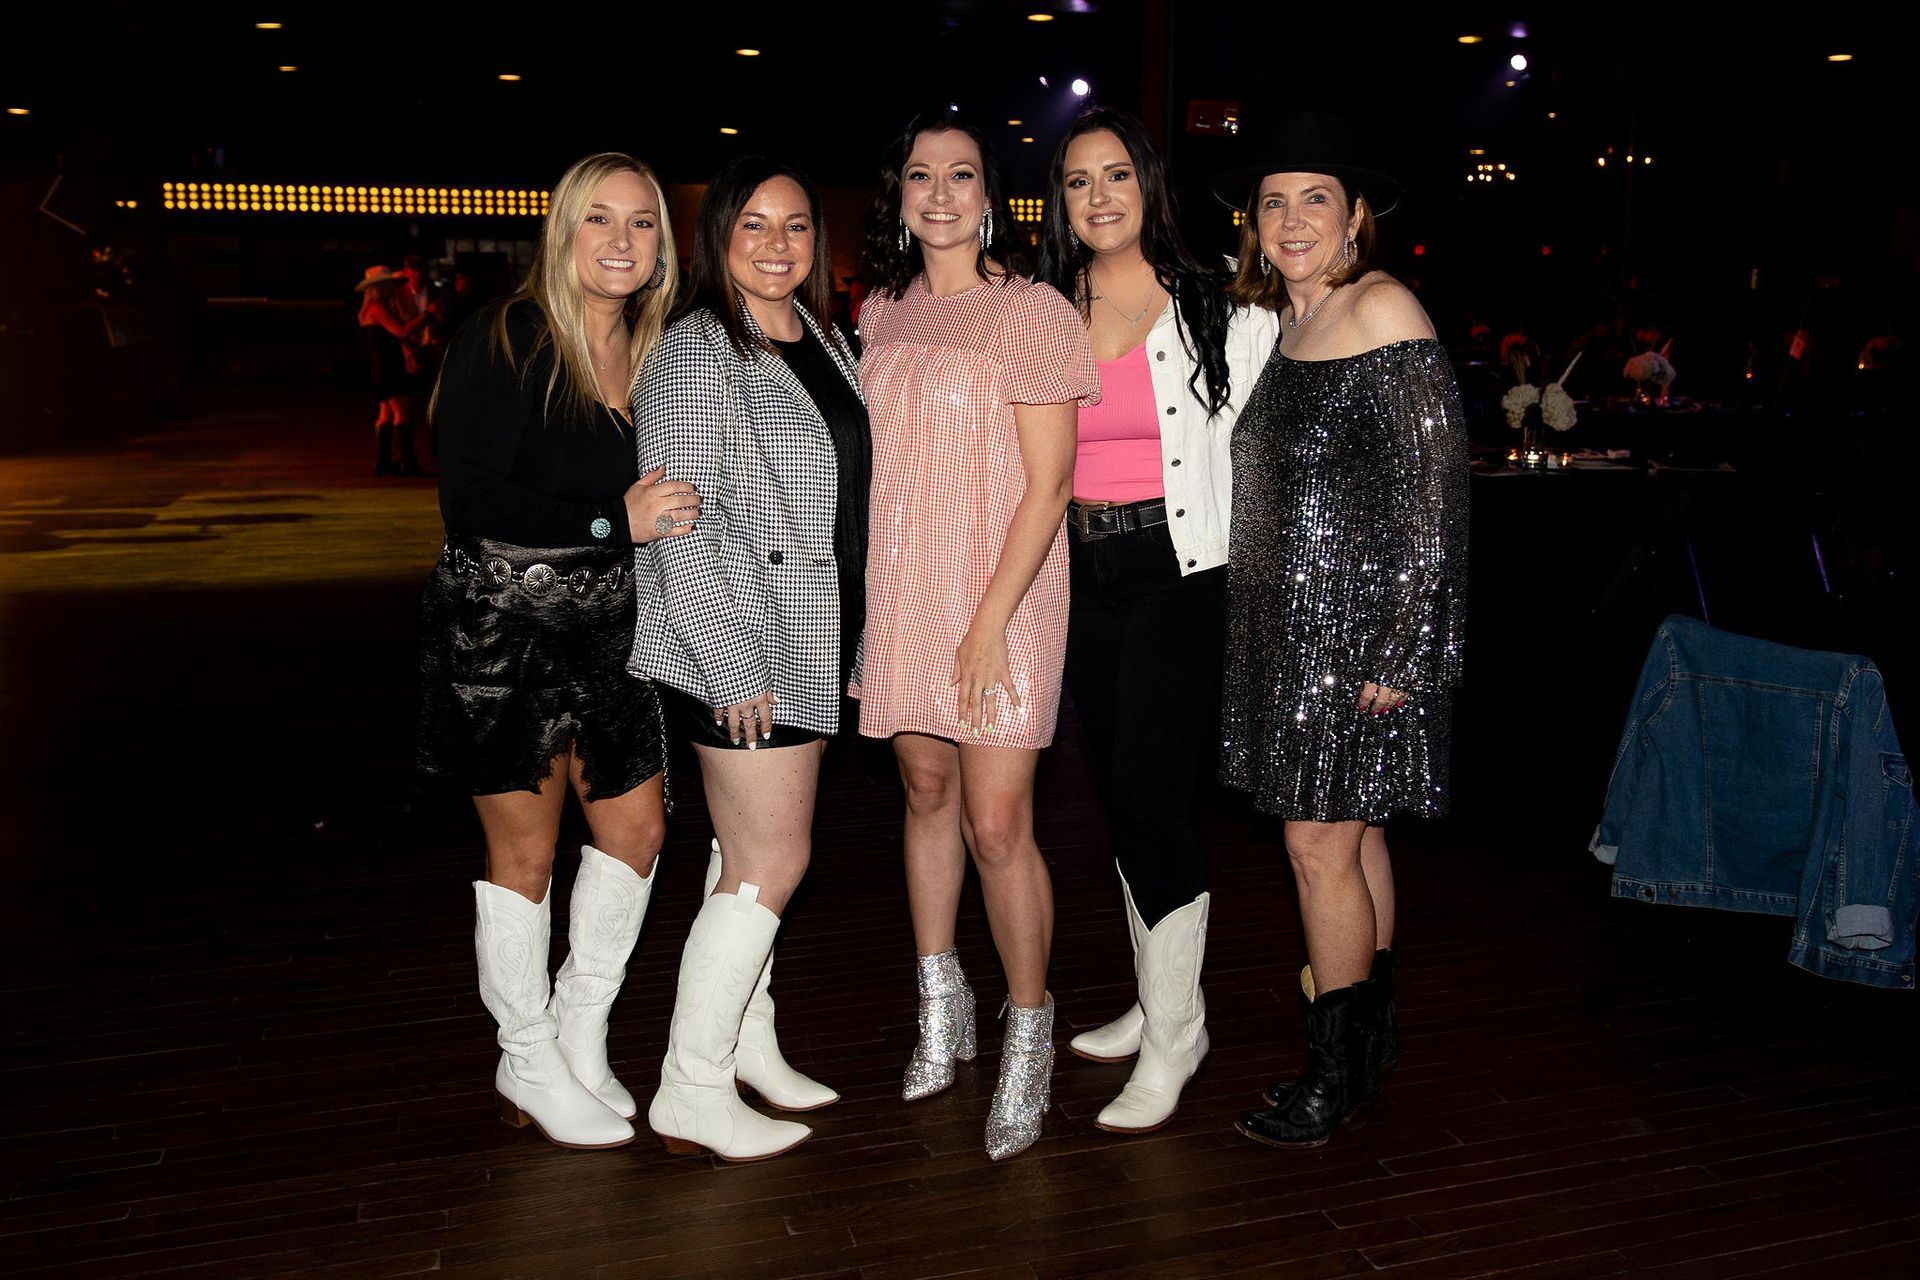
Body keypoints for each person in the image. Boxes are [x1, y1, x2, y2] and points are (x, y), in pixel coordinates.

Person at [416, 152, 700, 1151]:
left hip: (614, 627)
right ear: (563, 232)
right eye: (599, 220)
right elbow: (470, 501)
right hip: (504, 625)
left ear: (664, 243)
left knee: (637, 831)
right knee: (525, 850)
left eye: (643, 223)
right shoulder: (505, 337)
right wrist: (608, 516)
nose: (622, 240)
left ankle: (581, 1027)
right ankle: (525, 1050)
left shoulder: (661, 349)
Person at [1212, 113, 1468, 1148]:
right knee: (1352, 838)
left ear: (1356, 215)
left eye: (1313, 197)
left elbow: (1436, 494)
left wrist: (1402, 648)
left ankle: (1331, 1072)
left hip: (1360, 640)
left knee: (1315, 844)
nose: (1290, 218)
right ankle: (1370, 1039)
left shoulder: (1382, 304)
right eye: (1273, 201)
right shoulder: (1286, 324)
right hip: (1292, 633)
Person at [856, 111, 1098, 1161]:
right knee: (925, 793)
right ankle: (939, 1005)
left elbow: (1050, 486)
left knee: (999, 822)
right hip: (904, 587)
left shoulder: (1033, 309)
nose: (942, 193)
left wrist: (994, 619)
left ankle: (1028, 1032)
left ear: (992, 194)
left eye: (962, 175)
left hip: (1007, 592)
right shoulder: (882, 311)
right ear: (900, 195)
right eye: (922, 175)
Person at [1035, 107, 1278, 1134]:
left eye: (1118, 176)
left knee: (1149, 797)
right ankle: (1155, 995)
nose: (1100, 196)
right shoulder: (1043, 308)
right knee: (1119, 793)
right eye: (1080, 180)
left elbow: (1273, 445)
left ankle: (1179, 1031)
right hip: (1081, 568)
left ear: (1150, 186)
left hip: (1184, 571)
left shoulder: (1220, 303)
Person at [629, 156, 865, 1163]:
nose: (777, 245)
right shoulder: (693, 350)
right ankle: (689, 1082)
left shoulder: (817, 331)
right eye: (754, 226)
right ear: (716, 237)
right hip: (738, 638)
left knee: (740, 853)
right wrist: (732, 665)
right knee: (775, 858)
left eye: (797, 226)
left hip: (808, 631)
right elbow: (679, 520)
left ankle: (748, 1050)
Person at [357, 264, 427, 475]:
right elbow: (401, 331)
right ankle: (408, 461)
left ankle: (384, 461)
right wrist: (427, 316)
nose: (392, 289)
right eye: (388, 285)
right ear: (380, 287)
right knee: (402, 412)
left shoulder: (367, 309)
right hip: (388, 366)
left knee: (385, 412)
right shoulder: (376, 308)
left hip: (379, 366)